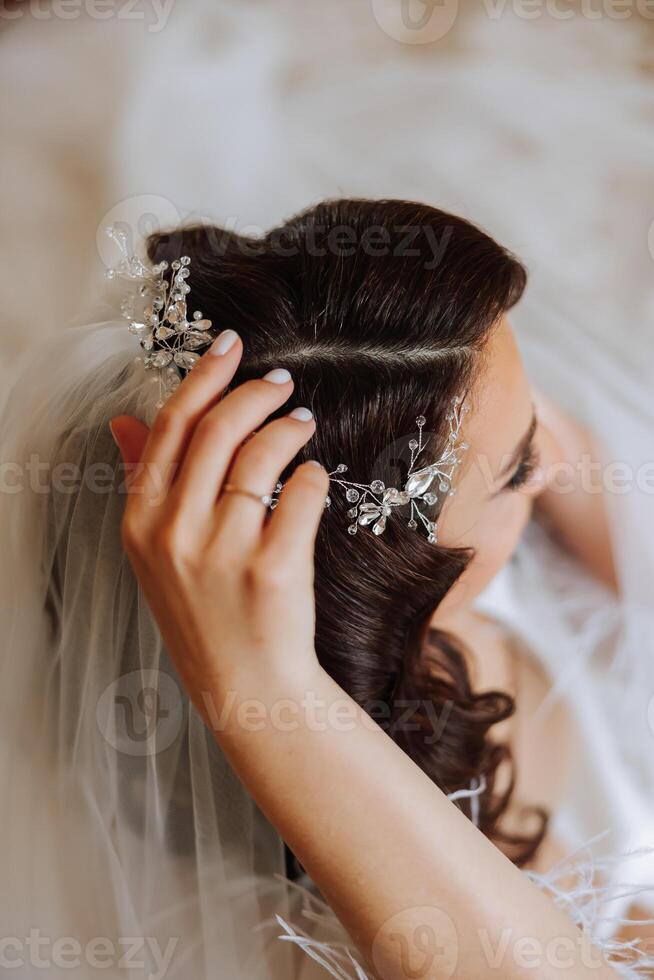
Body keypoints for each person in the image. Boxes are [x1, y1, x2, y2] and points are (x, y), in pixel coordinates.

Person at [0, 200, 650, 979]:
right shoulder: (374, 863)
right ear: (379, 571)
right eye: (516, 469)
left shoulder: (429, 408)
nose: (549, 469)